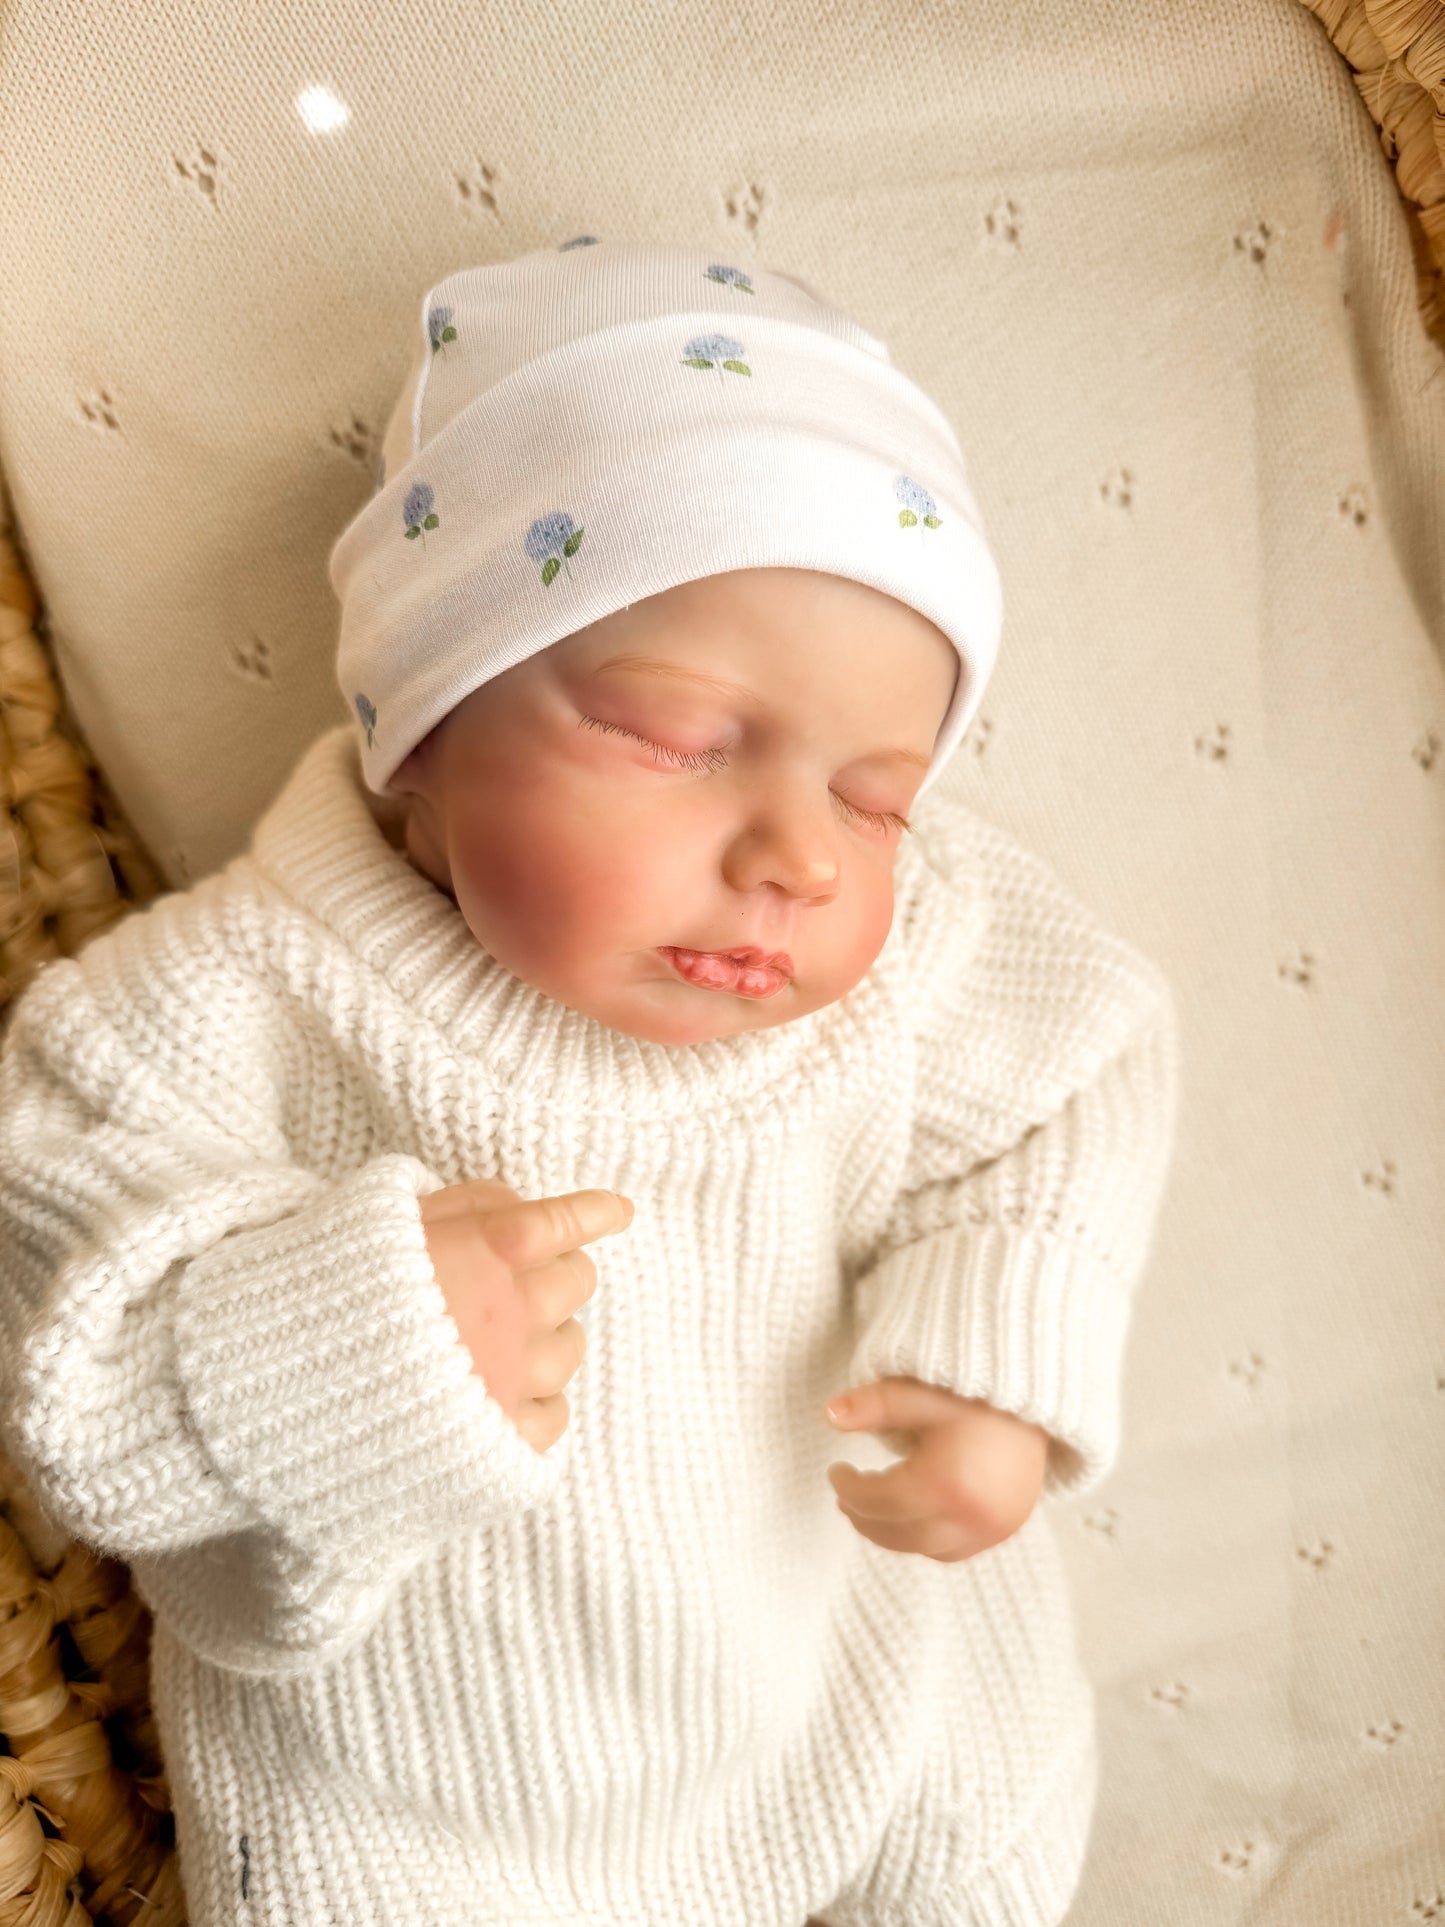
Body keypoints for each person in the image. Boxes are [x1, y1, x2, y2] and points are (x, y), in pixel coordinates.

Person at [0, 238, 1181, 1926]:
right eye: (677, 737)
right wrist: (351, 1336)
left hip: (864, 1679)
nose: (794, 855)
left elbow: (1082, 1068)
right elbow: (74, 1355)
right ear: (423, 722)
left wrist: (995, 1358)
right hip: (445, 1814)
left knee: (979, 1837)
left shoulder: (928, 951)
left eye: (877, 798)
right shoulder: (213, 1009)